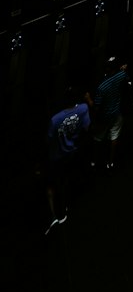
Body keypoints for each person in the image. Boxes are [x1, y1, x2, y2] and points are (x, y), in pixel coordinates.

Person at [45, 87, 91, 231]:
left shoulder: (55, 119)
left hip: (57, 155)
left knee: (55, 181)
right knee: (67, 176)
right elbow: (87, 127)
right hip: (72, 150)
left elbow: (49, 139)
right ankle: (66, 201)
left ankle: (57, 211)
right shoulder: (83, 109)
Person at [91, 54, 133, 171]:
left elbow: (96, 107)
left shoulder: (101, 87)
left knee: (97, 139)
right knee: (114, 137)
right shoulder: (121, 75)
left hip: (104, 117)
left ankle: (94, 161)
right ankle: (111, 162)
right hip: (117, 113)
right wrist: (123, 70)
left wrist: (89, 99)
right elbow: (127, 80)